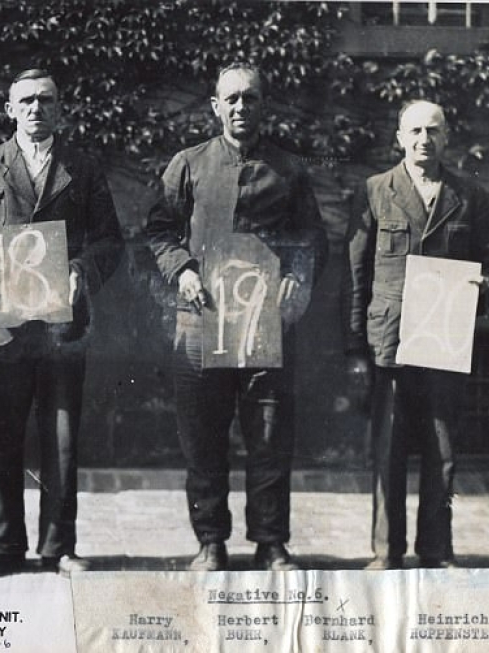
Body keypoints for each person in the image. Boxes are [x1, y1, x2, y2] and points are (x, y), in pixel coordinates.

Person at [146, 62, 327, 572]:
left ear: (262, 105)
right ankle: (210, 541)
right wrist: (181, 269)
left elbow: (312, 240)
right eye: (232, 99)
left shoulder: (288, 170)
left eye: (251, 98)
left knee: (269, 438)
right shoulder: (188, 164)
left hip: (265, 327)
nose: (241, 107)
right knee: (203, 440)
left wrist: (296, 276)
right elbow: (158, 232)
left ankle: (271, 542)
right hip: (201, 325)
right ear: (215, 106)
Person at [0, 69, 123, 579]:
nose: (36, 108)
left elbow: (110, 241)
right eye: (26, 101)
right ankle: (3, 546)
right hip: (6, 323)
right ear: (9, 108)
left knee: (61, 436)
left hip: (62, 325)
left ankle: (58, 547)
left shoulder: (83, 170)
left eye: (46, 100)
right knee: (0, 432)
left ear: (59, 108)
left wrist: (80, 271)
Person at [344, 99, 489, 570]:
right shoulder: (374, 191)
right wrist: (355, 348)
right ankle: (386, 552)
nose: (423, 140)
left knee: (443, 452)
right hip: (389, 342)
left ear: (447, 136)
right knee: (388, 452)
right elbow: (356, 277)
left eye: (433, 130)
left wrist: (480, 290)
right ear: (398, 137)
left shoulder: (470, 196)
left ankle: (436, 550)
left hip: (443, 341)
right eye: (413, 131)